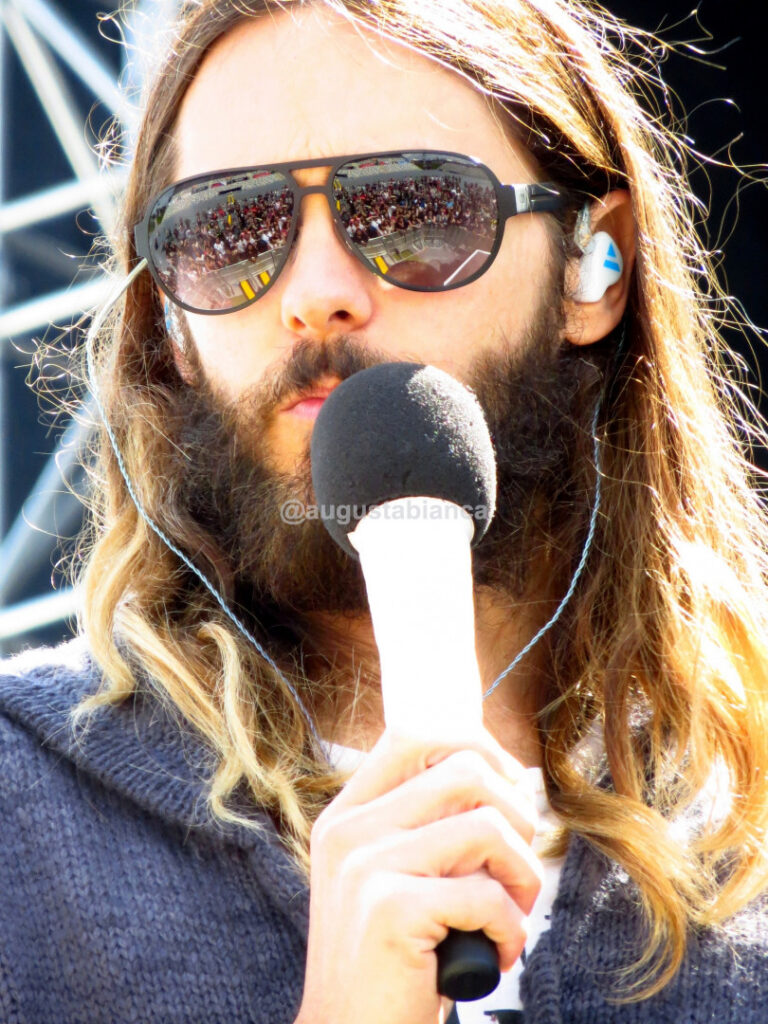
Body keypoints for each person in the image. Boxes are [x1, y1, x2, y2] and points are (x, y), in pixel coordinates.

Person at [1, 1, 767, 1021]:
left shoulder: (747, 818)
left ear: (596, 262)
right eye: (230, 229)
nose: (314, 294)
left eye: (411, 207)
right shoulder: (21, 815)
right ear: (171, 325)